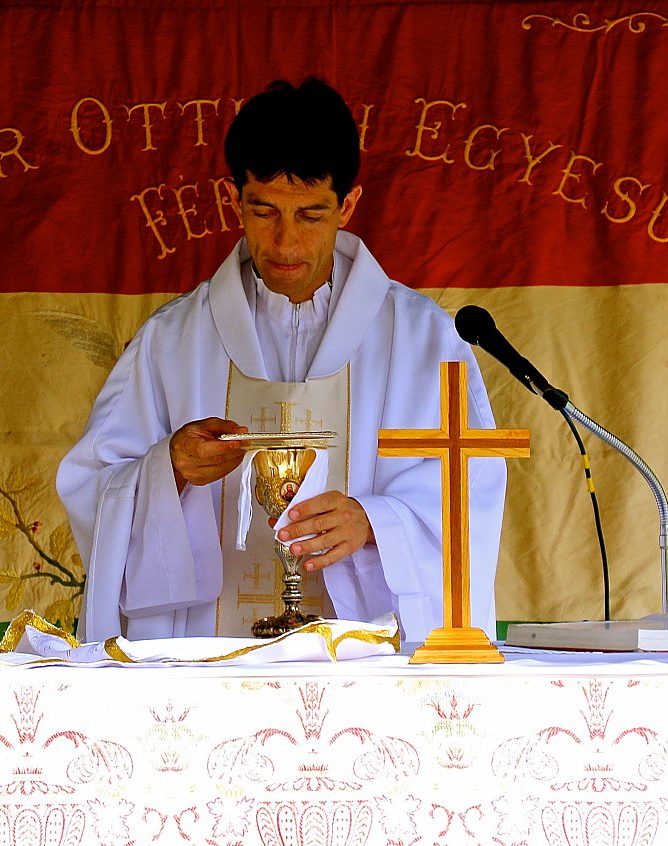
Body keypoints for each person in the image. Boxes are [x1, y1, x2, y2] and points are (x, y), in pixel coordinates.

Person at [58, 78, 506, 643]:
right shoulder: (171, 342)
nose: (286, 243)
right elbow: (94, 485)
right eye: (264, 212)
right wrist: (167, 471)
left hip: (368, 665)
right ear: (233, 200)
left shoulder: (422, 341)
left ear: (348, 205)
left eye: (311, 215)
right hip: (208, 661)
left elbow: (472, 490)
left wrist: (375, 523)